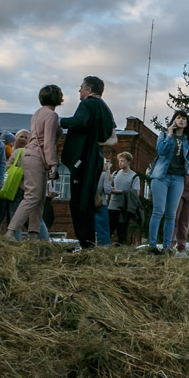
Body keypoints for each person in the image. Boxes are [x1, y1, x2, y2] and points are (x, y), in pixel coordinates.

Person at [60, 77, 116, 251]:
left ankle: (84, 243)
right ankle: (89, 243)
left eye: (81, 87)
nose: (79, 90)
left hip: (83, 158)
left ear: (89, 90)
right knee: (88, 200)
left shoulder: (87, 104)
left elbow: (80, 121)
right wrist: (98, 143)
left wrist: (60, 121)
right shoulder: (106, 109)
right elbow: (113, 139)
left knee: (79, 201)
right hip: (96, 158)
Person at [7, 86, 63, 239]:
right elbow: (48, 141)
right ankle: (11, 231)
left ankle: (34, 234)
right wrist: (53, 163)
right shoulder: (52, 115)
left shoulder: (37, 113)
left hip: (30, 155)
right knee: (33, 196)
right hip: (38, 156)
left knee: (38, 198)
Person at [146, 111, 189, 255]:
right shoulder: (163, 135)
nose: (181, 120)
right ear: (173, 120)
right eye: (178, 117)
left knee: (171, 214)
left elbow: (187, 159)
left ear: (187, 123)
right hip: (161, 176)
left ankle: (167, 247)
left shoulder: (187, 140)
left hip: (178, 178)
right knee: (158, 211)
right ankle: (152, 245)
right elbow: (161, 151)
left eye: (184, 118)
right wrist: (169, 135)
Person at [107, 152, 138, 245]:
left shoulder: (134, 176)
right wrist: (110, 189)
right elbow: (109, 186)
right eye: (119, 161)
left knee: (122, 233)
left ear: (128, 162)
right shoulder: (115, 174)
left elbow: (136, 192)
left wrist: (120, 191)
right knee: (108, 230)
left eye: (122, 161)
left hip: (124, 208)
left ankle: (121, 248)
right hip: (112, 206)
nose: (120, 163)